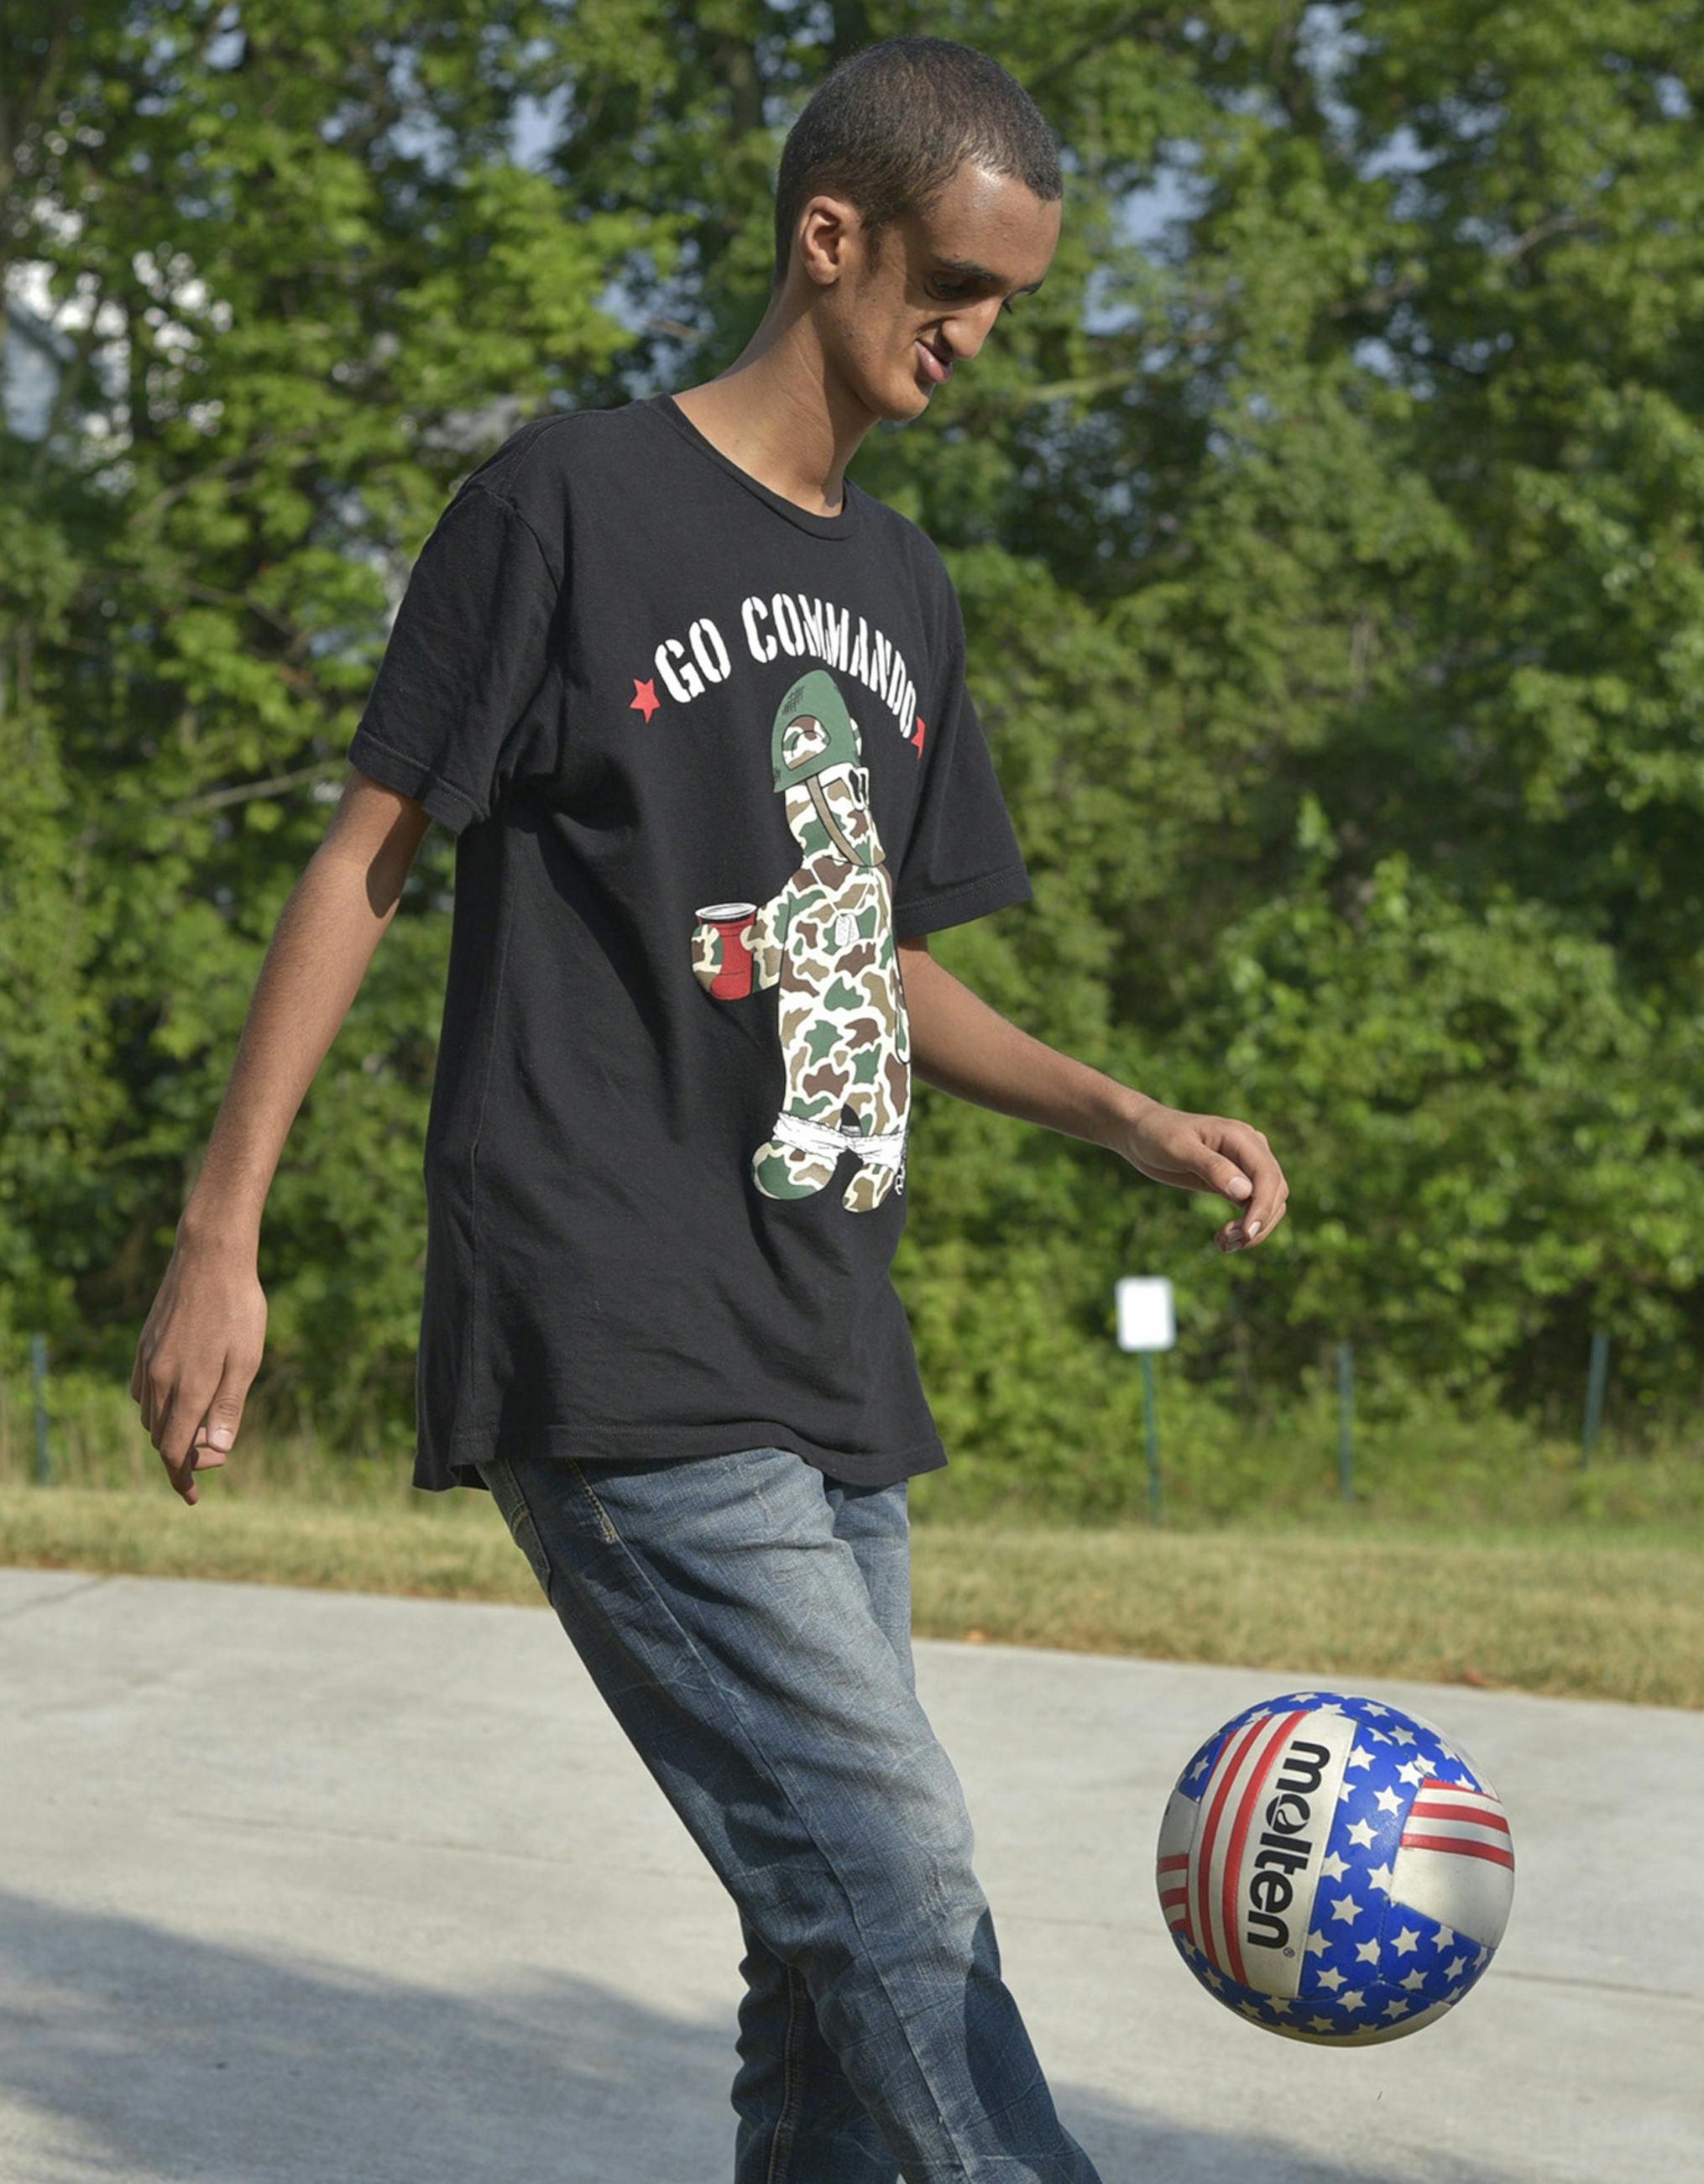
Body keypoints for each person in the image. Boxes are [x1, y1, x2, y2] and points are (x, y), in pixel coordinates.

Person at [130, 33, 1288, 2183]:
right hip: (617, 1318)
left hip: (829, 1341)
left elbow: (884, 957)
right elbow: (364, 857)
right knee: (903, 1878)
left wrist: (1128, 1111)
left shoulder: (904, 589)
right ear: (826, 235)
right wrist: (225, 1231)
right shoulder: (566, 500)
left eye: (1012, 303)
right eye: (952, 281)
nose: (978, 337)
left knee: (828, 1961)